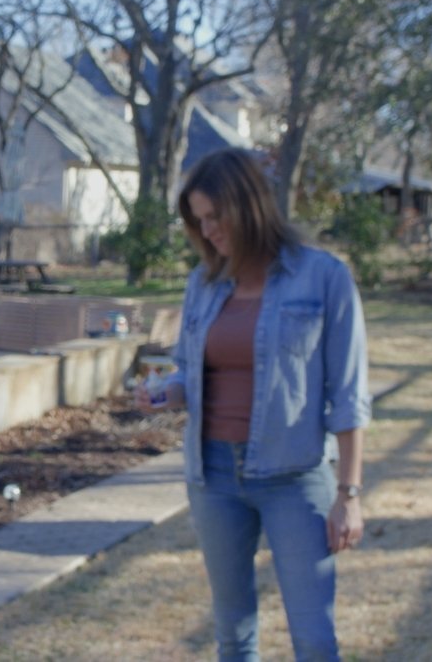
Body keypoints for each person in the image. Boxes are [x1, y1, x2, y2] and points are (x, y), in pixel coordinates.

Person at [137, 149, 370, 661]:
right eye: (199, 220)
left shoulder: (324, 277)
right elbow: (188, 372)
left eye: (215, 216)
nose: (208, 230)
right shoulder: (202, 283)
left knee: (314, 639)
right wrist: (165, 392)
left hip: (295, 476)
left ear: (249, 204)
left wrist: (349, 495)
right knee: (234, 634)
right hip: (214, 477)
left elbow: (349, 395)